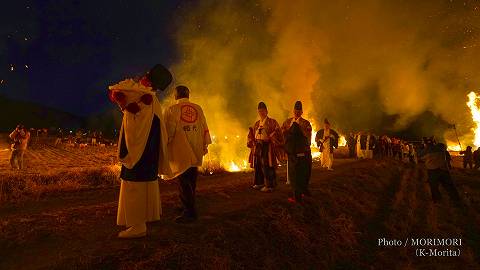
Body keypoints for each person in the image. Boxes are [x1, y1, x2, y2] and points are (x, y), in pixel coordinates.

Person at [109, 64, 172, 238]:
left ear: (149, 79)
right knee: (146, 184)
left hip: (139, 152)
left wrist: (123, 104)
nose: (143, 76)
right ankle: (145, 218)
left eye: (147, 75)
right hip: (149, 152)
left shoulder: (145, 98)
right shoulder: (153, 102)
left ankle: (138, 226)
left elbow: (134, 126)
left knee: (135, 185)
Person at [164, 85, 212, 223]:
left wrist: (165, 145)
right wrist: (204, 144)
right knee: (191, 179)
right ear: (188, 95)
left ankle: (189, 212)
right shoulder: (198, 108)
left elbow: (169, 132)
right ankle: (187, 205)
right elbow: (204, 126)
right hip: (196, 148)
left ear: (175, 95)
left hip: (182, 151)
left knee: (183, 180)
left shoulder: (172, 109)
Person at [247, 102, 284, 192]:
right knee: (258, 165)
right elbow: (251, 135)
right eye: (259, 111)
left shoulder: (272, 122)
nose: (261, 113)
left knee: (267, 165)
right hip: (258, 147)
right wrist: (251, 140)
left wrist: (271, 138)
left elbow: (278, 132)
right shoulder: (256, 124)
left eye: (263, 111)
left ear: (267, 111)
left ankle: (270, 185)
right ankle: (259, 183)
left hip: (268, 148)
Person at [282, 101, 312, 203]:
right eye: (295, 110)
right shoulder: (287, 122)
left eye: (299, 111)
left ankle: (299, 194)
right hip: (292, 153)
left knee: (302, 174)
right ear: (293, 111)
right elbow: (283, 135)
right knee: (293, 175)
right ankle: (297, 194)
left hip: (302, 153)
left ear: (302, 112)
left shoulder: (306, 123)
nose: (297, 112)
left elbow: (308, 138)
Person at [419, 139, 461, 205]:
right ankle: (455, 199)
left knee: (434, 186)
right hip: (444, 169)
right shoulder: (440, 149)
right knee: (449, 185)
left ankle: (437, 200)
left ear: (426, 144)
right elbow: (446, 157)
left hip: (433, 170)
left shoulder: (426, 150)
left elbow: (420, 158)